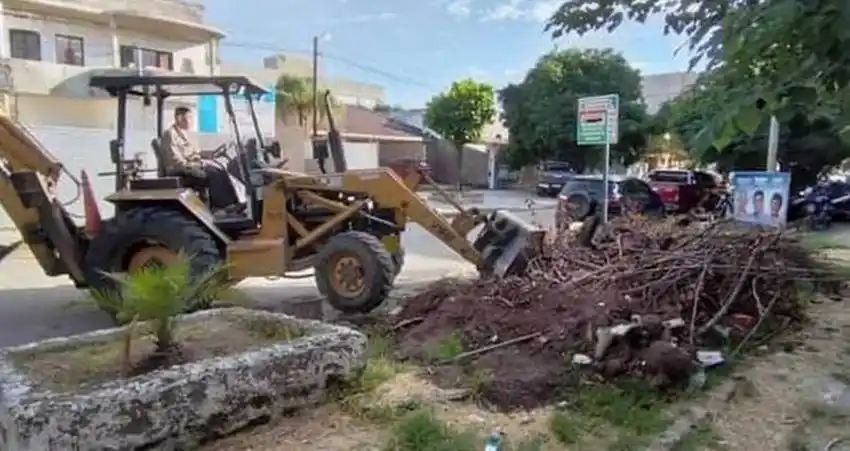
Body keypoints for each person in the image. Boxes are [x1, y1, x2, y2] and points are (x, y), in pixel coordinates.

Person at [160, 107, 247, 214]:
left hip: (193, 165)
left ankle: (231, 203)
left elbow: (196, 153)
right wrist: (192, 167)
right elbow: (174, 159)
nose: (192, 121)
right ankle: (221, 206)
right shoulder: (170, 134)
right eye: (189, 118)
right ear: (179, 118)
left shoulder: (187, 134)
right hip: (180, 170)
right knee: (213, 173)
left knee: (221, 169)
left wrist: (212, 153)